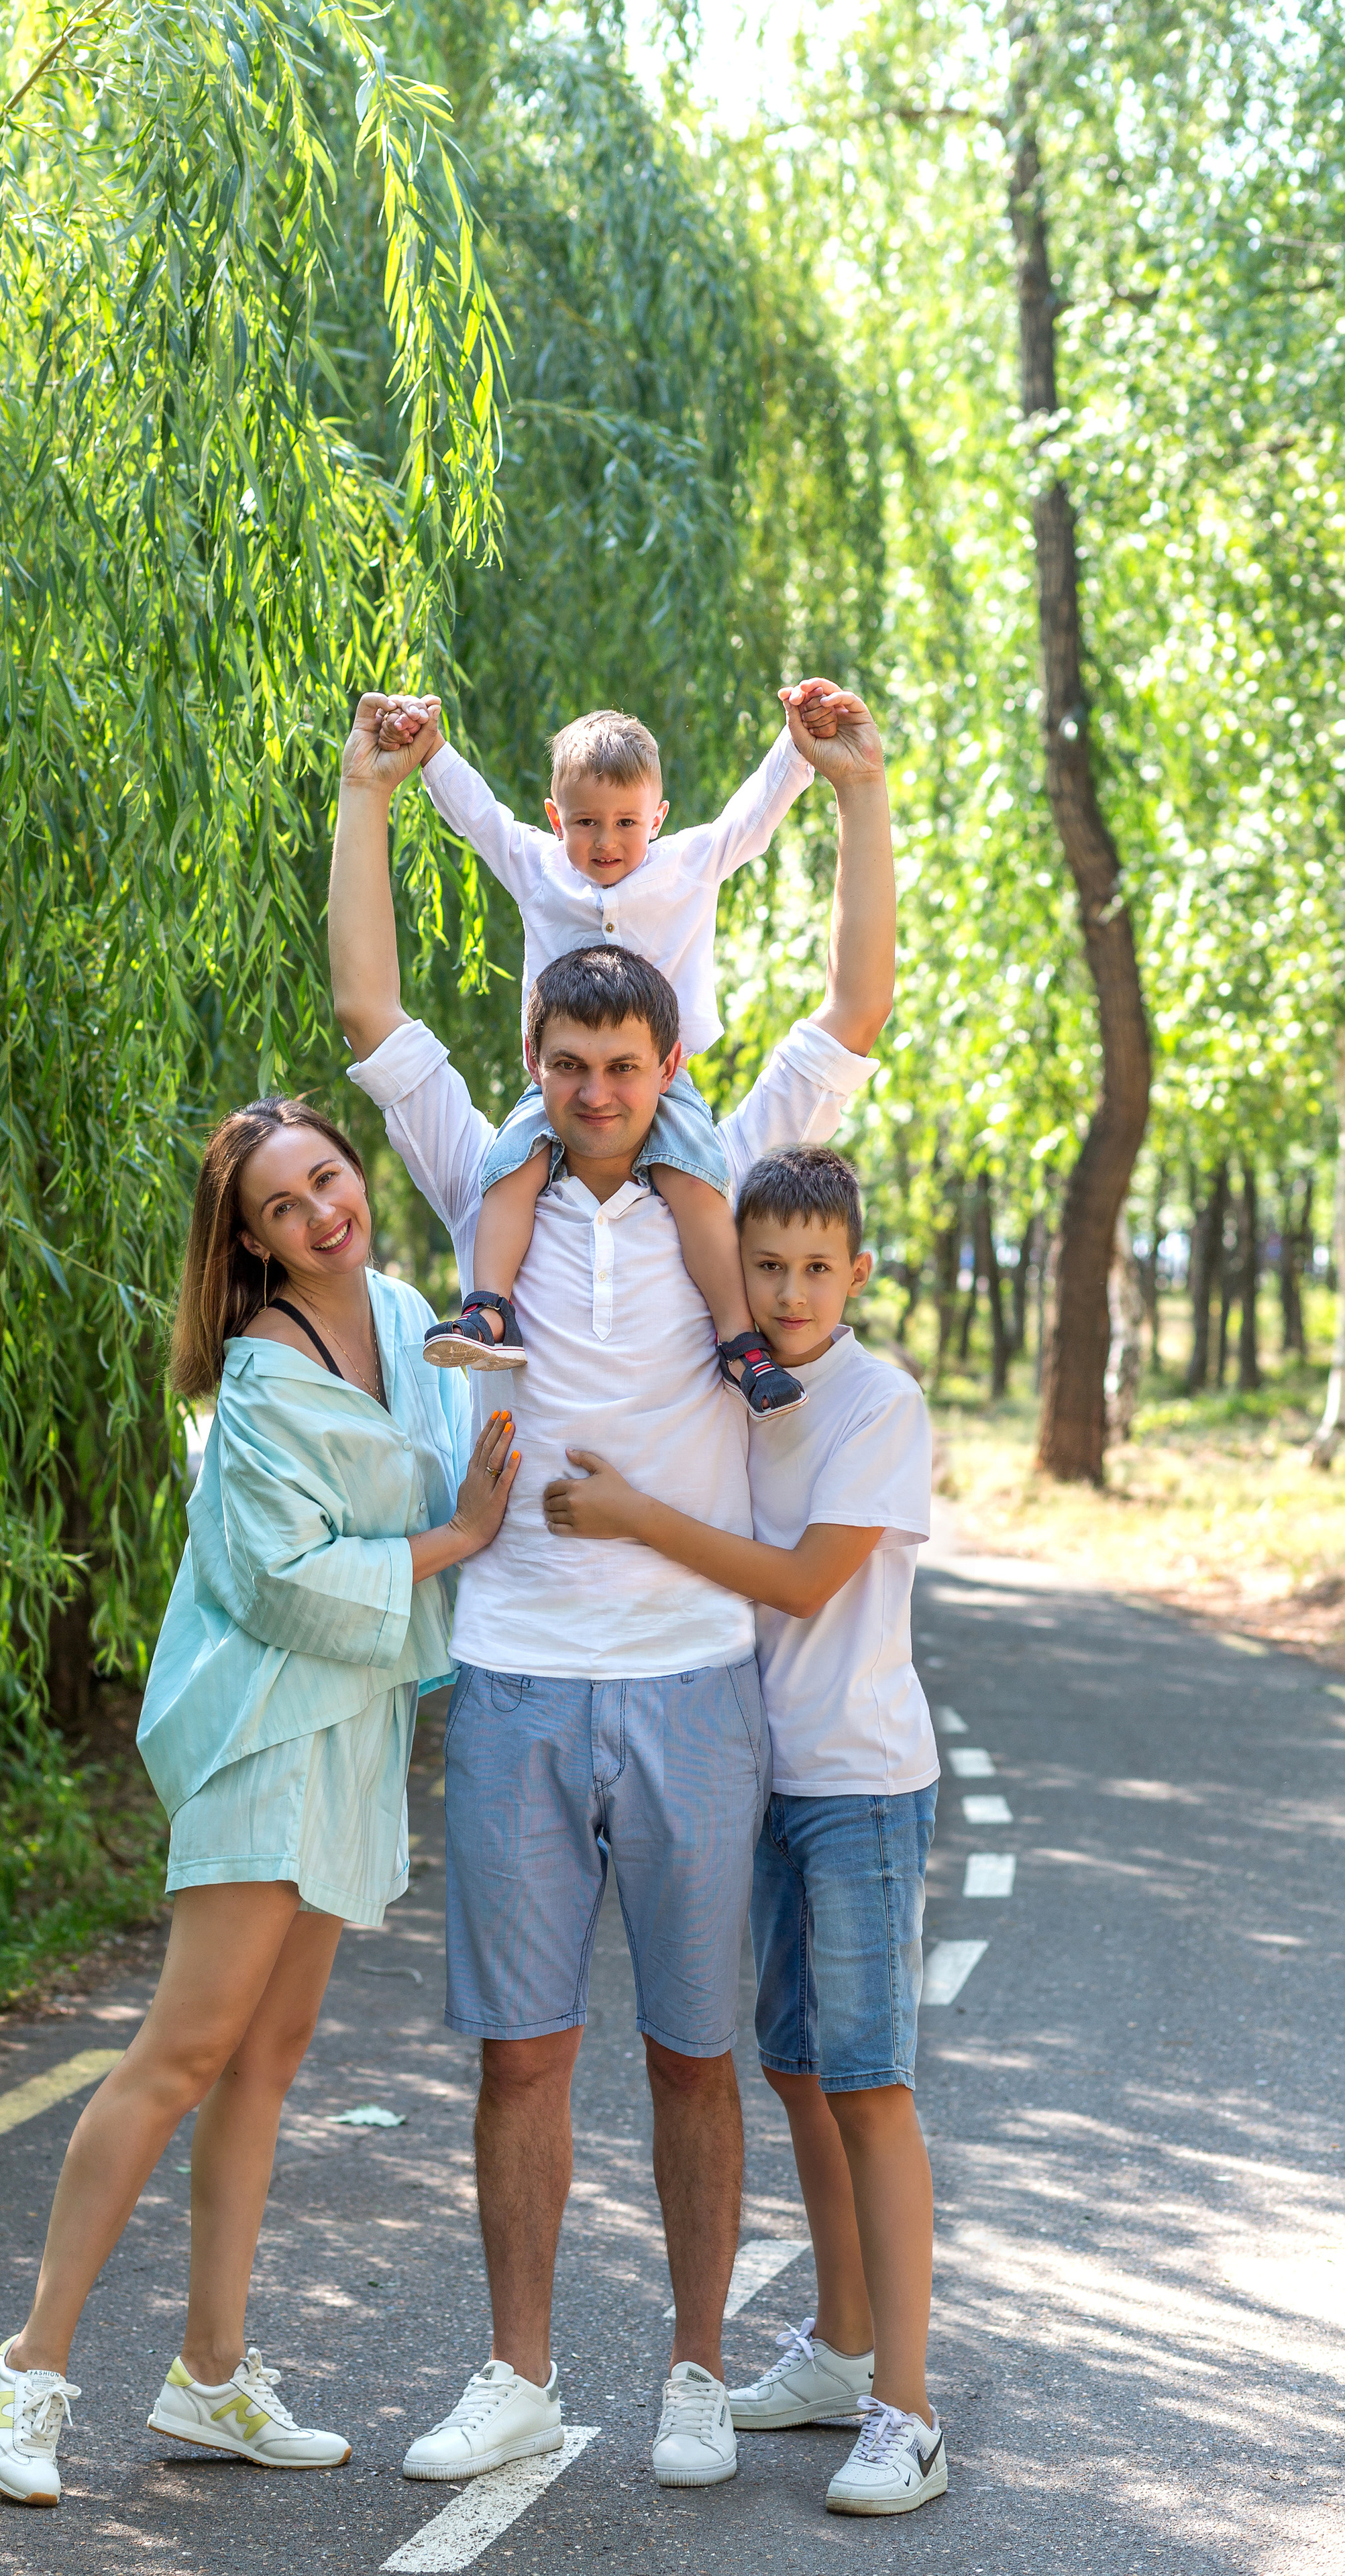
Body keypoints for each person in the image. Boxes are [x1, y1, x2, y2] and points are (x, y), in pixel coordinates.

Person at [327, 682, 894, 2492]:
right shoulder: (482, 1170)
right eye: (564, 1071)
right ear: (541, 1066)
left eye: (620, 1073)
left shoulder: (721, 1170)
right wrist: (368, 795)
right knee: (520, 2055)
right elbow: (370, 1014)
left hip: (690, 1686)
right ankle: (515, 2370)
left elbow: (856, 1007)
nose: (589, 1097)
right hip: (515, 1674)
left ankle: (701, 2373)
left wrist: (856, 792)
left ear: (666, 1073)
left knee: (693, 2058)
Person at [0, 1095, 520, 2506]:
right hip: (266, 1724)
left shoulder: (401, 1313)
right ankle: (24, 2371)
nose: (321, 1209)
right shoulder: (263, 1375)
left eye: (326, 1176)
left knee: (268, 2059)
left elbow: (469, 1435)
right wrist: (456, 1537)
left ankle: (210, 2378)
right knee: (182, 2051)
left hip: (353, 1725)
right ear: (252, 1241)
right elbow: (279, 1579)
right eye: (283, 1204)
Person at [542, 1143, 945, 2518]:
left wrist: (630, 1517)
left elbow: (794, 1580)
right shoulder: (743, 1389)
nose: (784, 1292)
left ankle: (908, 2406)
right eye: (763, 1266)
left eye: (813, 1269)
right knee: (794, 2075)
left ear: (856, 1274)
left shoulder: (874, 1403)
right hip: (756, 1778)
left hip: (859, 1785)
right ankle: (838, 2350)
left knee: (869, 2084)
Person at [370, 688, 838, 1416]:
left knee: (698, 1181)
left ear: (658, 816)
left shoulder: (687, 864)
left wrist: (796, 750)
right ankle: (488, 1309)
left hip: (661, 1084)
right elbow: (483, 822)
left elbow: (753, 819)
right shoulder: (540, 867)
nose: (606, 843)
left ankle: (738, 1343)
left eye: (626, 823)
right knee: (509, 1164)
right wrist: (429, 753)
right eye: (585, 823)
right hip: (560, 1079)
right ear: (557, 819)